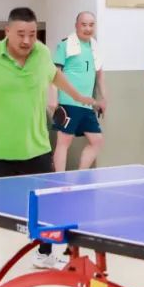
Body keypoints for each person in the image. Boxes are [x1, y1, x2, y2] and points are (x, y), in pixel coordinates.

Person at [0, 7, 98, 281]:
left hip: (37, 148)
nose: (27, 40)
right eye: (21, 34)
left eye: (32, 34)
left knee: (46, 206)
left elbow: (54, 76)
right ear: (7, 31)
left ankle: (44, 252)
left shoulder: (41, 53)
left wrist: (77, 95)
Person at [51, 12, 107, 172]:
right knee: (64, 141)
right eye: (84, 24)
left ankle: (81, 175)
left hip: (86, 104)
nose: (88, 28)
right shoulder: (65, 45)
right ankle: (59, 178)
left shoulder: (95, 47)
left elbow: (100, 75)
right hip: (68, 102)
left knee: (97, 140)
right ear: (76, 26)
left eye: (91, 25)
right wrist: (54, 99)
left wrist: (103, 99)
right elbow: (55, 74)